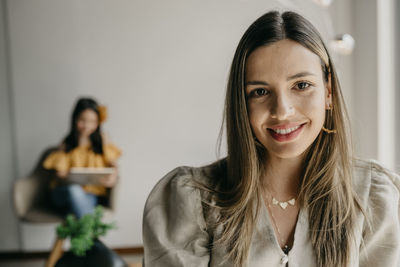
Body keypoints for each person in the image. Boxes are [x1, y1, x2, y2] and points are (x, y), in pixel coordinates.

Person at [142, 10, 400, 267]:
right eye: (260, 91)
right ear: (242, 103)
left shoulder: (372, 197)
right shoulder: (192, 199)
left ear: (329, 91)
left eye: (301, 85)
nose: (282, 110)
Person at [43, 97, 121, 218]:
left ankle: (83, 235)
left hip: (90, 194)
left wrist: (113, 178)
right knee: (74, 191)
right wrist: (70, 176)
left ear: (98, 123)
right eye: (82, 120)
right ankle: (93, 235)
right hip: (63, 193)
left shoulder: (102, 142)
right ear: (75, 119)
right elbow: (59, 175)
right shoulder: (66, 144)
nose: (87, 126)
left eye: (92, 122)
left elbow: (114, 166)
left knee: (76, 209)